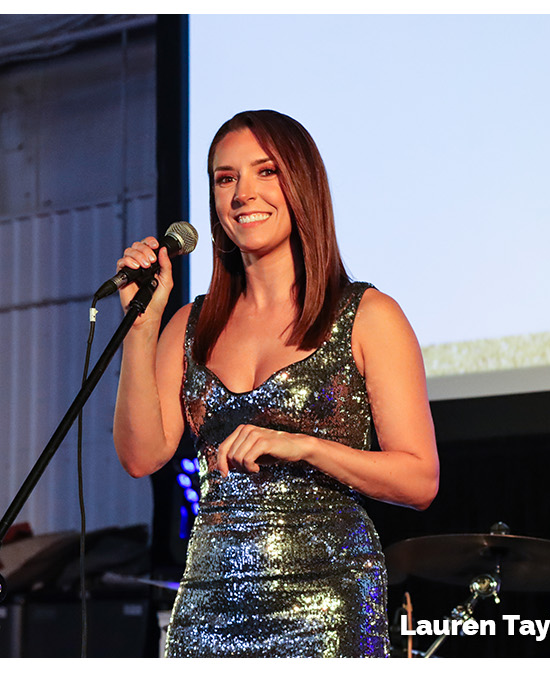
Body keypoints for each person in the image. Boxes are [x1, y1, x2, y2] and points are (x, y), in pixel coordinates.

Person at [111, 110, 439, 657]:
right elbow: (140, 456)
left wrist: (303, 446)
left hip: (327, 606)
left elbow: (420, 479)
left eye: (266, 172)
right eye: (225, 177)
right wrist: (141, 330)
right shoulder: (190, 325)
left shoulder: (367, 315)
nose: (243, 193)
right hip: (207, 607)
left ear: (302, 184)